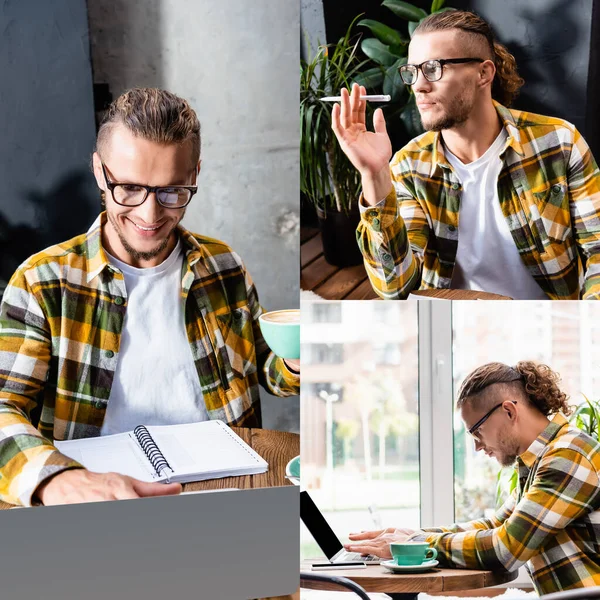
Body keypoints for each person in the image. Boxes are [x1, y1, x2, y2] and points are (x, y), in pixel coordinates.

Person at [0, 88, 300, 507]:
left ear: (194, 174)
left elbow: (269, 368)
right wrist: (56, 480)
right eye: (129, 188)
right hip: (97, 500)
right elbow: (3, 405)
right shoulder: (42, 281)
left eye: (171, 192)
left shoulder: (222, 264)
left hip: (225, 496)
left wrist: (297, 358)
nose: (150, 214)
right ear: (99, 172)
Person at [332, 10, 600, 300]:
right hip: (450, 330)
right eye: (412, 72)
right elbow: (395, 288)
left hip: (548, 328)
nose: (419, 86)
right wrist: (373, 175)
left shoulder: (560, 143)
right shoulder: (409, 166)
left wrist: (585, 328)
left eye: (433, 68)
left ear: (483, 73)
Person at [345, 362, 600, 595]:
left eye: (477, 431)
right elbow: (496, 524)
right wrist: (410, 535)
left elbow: (506, 548)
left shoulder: (568, 455)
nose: (477, 446)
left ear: (509, 411)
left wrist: (416, 543)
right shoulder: (543, 457)